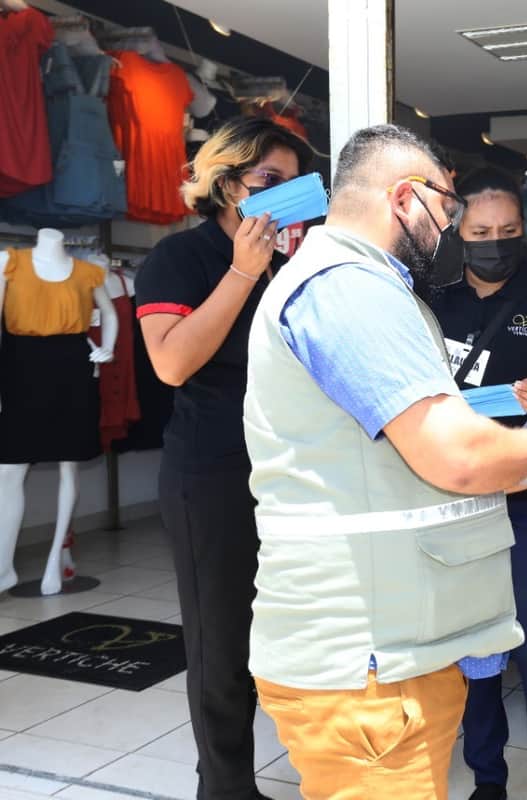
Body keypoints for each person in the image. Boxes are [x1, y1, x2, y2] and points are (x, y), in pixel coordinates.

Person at [242, 125, 527, 800]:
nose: (452, 227)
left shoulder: (366, 286)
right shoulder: (348, 290)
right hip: (366, 660)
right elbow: (457, 455)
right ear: (407, 199)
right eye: (448, 210)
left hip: (393, 648)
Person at [135, 117, 312, 800]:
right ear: (225, 181)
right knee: (222, 642)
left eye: (296, 185)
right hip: (211, 472)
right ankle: (227, 787)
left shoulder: (293, 267)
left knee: (287, 630)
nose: (285, 197)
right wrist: (243, 270)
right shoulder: (181, 258)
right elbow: (173, 363)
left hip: (289, 469)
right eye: (270, 181)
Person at [431, 167, 527, 800]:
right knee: (475, 652)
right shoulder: (432, 301)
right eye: (480, 231)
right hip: (459, 494)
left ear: (524, 232)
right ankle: (487, 782)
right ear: (458, 233)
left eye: (508, 231)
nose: (494, 242)